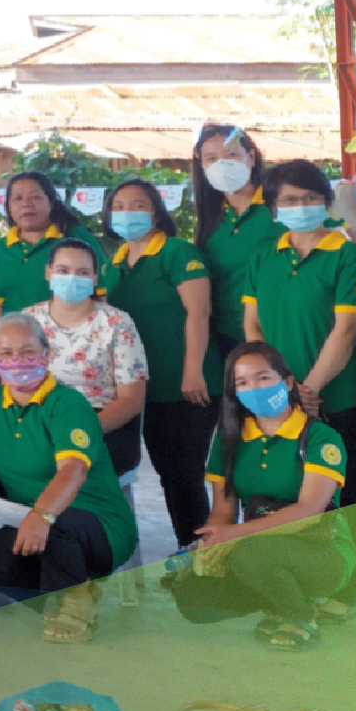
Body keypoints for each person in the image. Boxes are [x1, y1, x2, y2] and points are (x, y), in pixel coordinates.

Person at [0, 312, 140, 643]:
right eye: (6, 354)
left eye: (27, 352)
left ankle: (73, 611)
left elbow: (74, 470)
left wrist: (42, 514)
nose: (17, 362)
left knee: (58, 523)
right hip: (32, 520)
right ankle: (72, 594)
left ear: (47, 354)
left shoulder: (68, 404)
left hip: (97, 525)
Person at [241, 160, 356, 621]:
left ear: (325, 201)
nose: (301, 207)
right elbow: (252, 326)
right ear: (273, 207)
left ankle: (345, 592)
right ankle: (290, 590)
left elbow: (346, 327)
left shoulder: (345, 254)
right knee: (285, 491)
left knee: (346, 490)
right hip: (273, 400)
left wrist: (310, 387)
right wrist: (265, 384)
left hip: (335, 395)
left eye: (311, 198)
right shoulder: (263, 257)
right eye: (290, 200)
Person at [165, 342, 356, 652]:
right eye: (242, 383)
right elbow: (223, 514)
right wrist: (212, 547)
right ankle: (277, 599)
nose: (254, 388)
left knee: (248, 553)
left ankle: (299, 615)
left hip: (322, 551)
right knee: (194, 595)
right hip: (258, 545)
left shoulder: (319, 437)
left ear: (288, 383)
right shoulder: (229, 440)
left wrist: (235, 537)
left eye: (263, 378)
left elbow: (309, 510)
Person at [96, 178, 212, 550]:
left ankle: (205, 561)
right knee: (165, 473)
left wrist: (192, 369)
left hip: (183, 385)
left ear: (157, 212)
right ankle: (188, 550)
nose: (128, 213)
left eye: (138, 205)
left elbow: (199, 311)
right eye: (120, 206)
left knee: (184, 474)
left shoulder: (177, 253)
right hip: (137, 388)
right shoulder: (111, 264)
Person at [21, 240, 150, 488]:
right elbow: (11, 384)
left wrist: (77, 433)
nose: (72, 279)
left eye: (82, 272)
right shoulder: (27, 321)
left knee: (99, 515)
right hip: (39, 426)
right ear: (48, 274)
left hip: (101, 426)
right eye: (63, 270)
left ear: (94, 277)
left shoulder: (117, 322)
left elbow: (132, 400)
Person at [193, 124, 282, 402]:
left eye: (231, 154)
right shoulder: (211, 219)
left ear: (251, 157)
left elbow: (341, 236)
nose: (222, 164)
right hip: (228, 343)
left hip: (280, 336)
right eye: (211, 158)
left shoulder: (282, 205)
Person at [0, 171, 86, 379]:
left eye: (35, 196)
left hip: (71, 351)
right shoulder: (1, 250)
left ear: (50, 202)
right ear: (8, 207)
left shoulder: (75, 239)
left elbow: (100, 296)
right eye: (17, 198)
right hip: (16, 355)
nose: (26, 203)